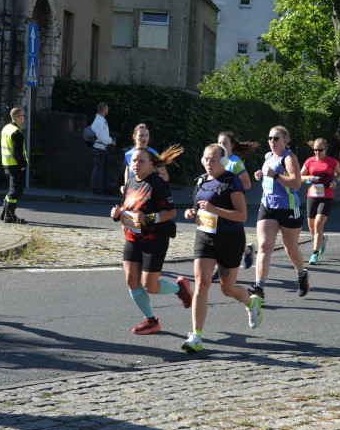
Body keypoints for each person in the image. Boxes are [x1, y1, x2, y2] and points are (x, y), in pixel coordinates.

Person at [181, 144, 263, 353]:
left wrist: (215, 209)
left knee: (228, 290)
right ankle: (196, 336)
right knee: (201, 282)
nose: (209, 163)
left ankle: (251, 303)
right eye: (206, 159)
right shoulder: (201, 180)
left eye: (214, 160)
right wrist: (191, 212)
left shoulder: (231, 182)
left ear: (223, 161)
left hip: (230, 239)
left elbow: (242, 215)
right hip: (205, 238)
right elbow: (199, 206)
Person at [111, 145, 191, 336]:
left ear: (151, 165)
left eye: (141, 161)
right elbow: (129, 208)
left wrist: (148, 218)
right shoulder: (130, 182)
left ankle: (179, 288)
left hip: (155, 239)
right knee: (131, 279)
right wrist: (118, 214)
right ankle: (151, 320)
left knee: (150, 286)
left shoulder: (157, 184)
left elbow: (171, 212)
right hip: (132, 238)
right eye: (134, 161)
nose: (136, 164)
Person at [251, 126, 309, 299]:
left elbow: (296, 183)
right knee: (263, 247)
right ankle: (259, 288)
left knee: (290, 248)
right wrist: (260, 175)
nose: (272, 142)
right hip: (268, 206)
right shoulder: (268, 156)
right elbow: (268, 176)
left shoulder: (289, 158)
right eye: (269, 138)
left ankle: (301, 274)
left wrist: (275, 176)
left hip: (288, 208)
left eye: (276, 138)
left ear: (285, 140)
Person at [216, 131, 256, 271]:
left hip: (232, 206)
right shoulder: (216, 160)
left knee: (229, 237)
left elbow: (247, 184)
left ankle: (222, 268)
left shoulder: (235, 163)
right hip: (218, 204)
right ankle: (247, 250)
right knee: (221, 236)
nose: (221, 146)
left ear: (232, 145)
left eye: (225, 143)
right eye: (219, 143)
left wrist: (231, 187)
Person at [300, 138, 340, 265]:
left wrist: (335, 181)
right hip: (312, 195)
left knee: (319, 224)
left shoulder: (332, 161)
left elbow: (339, 173)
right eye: (315, 150)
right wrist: (308, 177)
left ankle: (314, 254)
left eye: (320, 150)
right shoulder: (309, 161)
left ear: (326, 149)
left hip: (327, 196)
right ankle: (322, 239)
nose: (317, 152)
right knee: (312, 228)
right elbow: (299, 177)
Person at [0, 107, 28, 224]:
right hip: (15, 165)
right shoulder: (17, 132)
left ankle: (4, 214)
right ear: (18, 117)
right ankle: (9, 217)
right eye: (23, 115)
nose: (24, 117)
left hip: (6, 164)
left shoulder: (6, 128)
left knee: (11, 191)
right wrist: (22, 164)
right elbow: (17, 152)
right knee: (15, 192)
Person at [89, 102, 115, 196]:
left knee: (102, 170)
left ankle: (102, 189)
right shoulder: (99, 122)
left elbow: (103, 136)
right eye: (107, 108)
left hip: (101, 148)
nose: (108, 109)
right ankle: (95, 190)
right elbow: (101, 137)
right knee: (98, 170)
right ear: (103, 109)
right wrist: (111, 141)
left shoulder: (101, 120)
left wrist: (109, 140)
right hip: (99, 148)